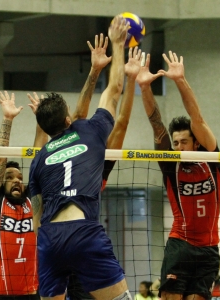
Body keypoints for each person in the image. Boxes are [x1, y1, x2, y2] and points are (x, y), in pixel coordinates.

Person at [29, 15, 130, 300]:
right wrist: (118, 45)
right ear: (68, 118)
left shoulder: (39, 158)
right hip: (84, 233)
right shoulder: (90, 130)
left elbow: (37, 215)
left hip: (49, 238)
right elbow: (115, 91)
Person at [136, 50, 220, 300]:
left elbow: (198, 118)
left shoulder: (211, 159)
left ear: (196, 144)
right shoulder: (170, 165)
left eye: (184, 142)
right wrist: (144, 87)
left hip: (209, 249)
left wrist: (180, 81)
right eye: (176, 143)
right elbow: (156, 123)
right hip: (180, 245)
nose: (179, 148)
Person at [65, 35, 142, 300]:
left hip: (85, 247)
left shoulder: (100, 166)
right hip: (60, 249)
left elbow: (121, 122)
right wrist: (96, 69)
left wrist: (131, 79)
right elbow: (78, 117)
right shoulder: (65, 150)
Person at [0, 90, 47, 300]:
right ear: (1, 182)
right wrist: (7, 119)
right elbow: (0, 161)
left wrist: (40, 119)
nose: (17, 180)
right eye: (10, 177)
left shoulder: (31, 201)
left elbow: (40, 156)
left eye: (20, 177)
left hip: (31, 293)